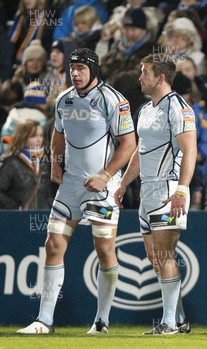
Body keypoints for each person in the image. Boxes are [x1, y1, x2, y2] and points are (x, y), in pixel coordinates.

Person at [17, 48, 136, 334]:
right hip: (70, 184)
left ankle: (102, 320)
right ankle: (44, 320)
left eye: (81, 68)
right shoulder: (64, 99)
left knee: (105, 250)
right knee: (53, 244)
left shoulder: (114, 100)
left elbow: (129, 144)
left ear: (94, 70)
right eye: (73, 68)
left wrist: (106, 175)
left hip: (102, 187)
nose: (75, 73)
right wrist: (56, 165)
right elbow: (58, 134)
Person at [115, 53, 197, 335]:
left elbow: (190, 150)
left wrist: (182, 189)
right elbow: (140, 150)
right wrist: (124, 183)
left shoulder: (179, 108)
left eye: (144, 72)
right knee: (155, 258)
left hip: (168, 187)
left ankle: (170, 323)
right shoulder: (147, 109)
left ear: (160, 78)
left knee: (165, 254)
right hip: (147, 190)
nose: (140, 78)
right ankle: (180, 319)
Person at [0, 120, 51, 209]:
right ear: (23, 137)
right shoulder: (11, 163)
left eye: (41, 135)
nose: (39, 140)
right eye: (33, 136)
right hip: (19, 218)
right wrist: (15, 207)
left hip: (43, 218)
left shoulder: (47, 162)